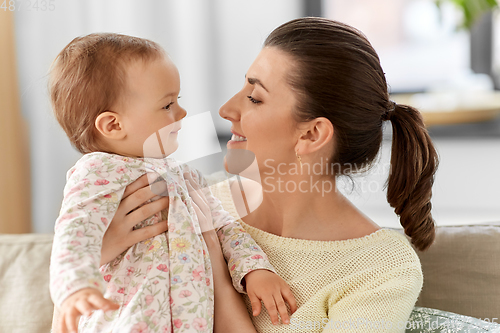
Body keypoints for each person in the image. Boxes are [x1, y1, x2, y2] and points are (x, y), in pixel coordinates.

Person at [79, 17, 439, 333]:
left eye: (254, 97)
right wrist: (99, 254)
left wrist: (219, 276)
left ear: (311, 134)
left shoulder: (380, 270)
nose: (226, 109)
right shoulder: (185, 202)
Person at [48, 33, 296, 333]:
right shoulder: (97, 171)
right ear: (114, 125)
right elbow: (74, 235)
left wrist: (254, 269)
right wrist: (76, 288)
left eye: (178, 100)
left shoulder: (185, 176)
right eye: (167, 105)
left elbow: (224, 227)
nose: (181, 113)